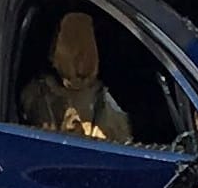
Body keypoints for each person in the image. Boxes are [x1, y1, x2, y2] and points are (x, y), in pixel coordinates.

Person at [19, 12, 132, 143]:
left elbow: (117, 144)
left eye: (85, 46)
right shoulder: (38, 93)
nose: (80, 58)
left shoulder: (104, 102)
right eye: (70, 44)